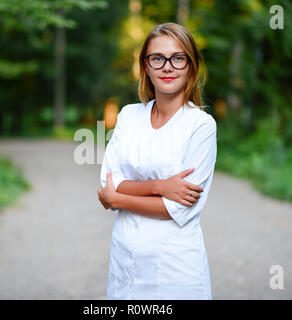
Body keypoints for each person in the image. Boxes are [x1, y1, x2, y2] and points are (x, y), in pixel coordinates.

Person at [97, 22, 217, 300]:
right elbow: (107, 181)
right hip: (125, 260)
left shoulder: (201, 125)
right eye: (157, 58)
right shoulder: (128, 116)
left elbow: (179, 208)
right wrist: (160, 186)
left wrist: (119, 199)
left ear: (191, 66)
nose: (167, 66)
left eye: (178, 58)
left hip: (173, 268)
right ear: (146, 67)